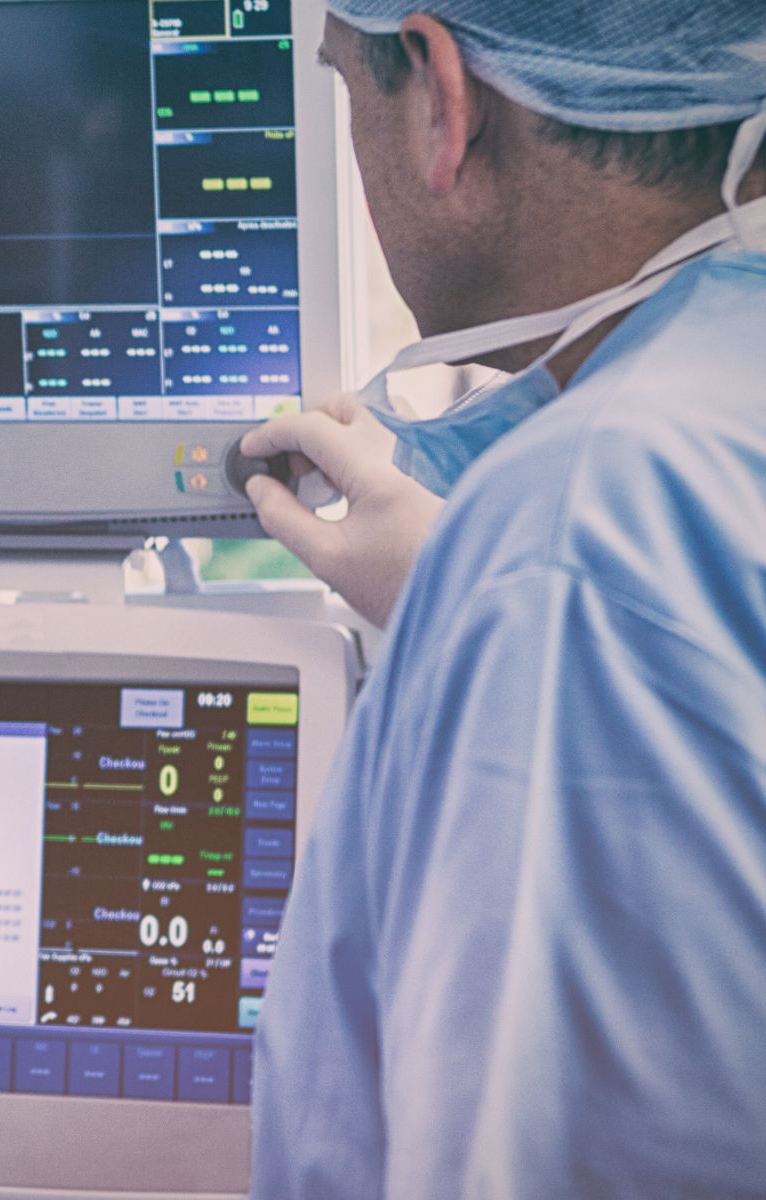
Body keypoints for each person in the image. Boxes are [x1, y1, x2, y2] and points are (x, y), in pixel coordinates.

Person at [237, 2, 766, 1195]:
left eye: (346, 86)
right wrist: (462, 589)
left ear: (442, 95)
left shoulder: (578, 540)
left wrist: (515, 593)